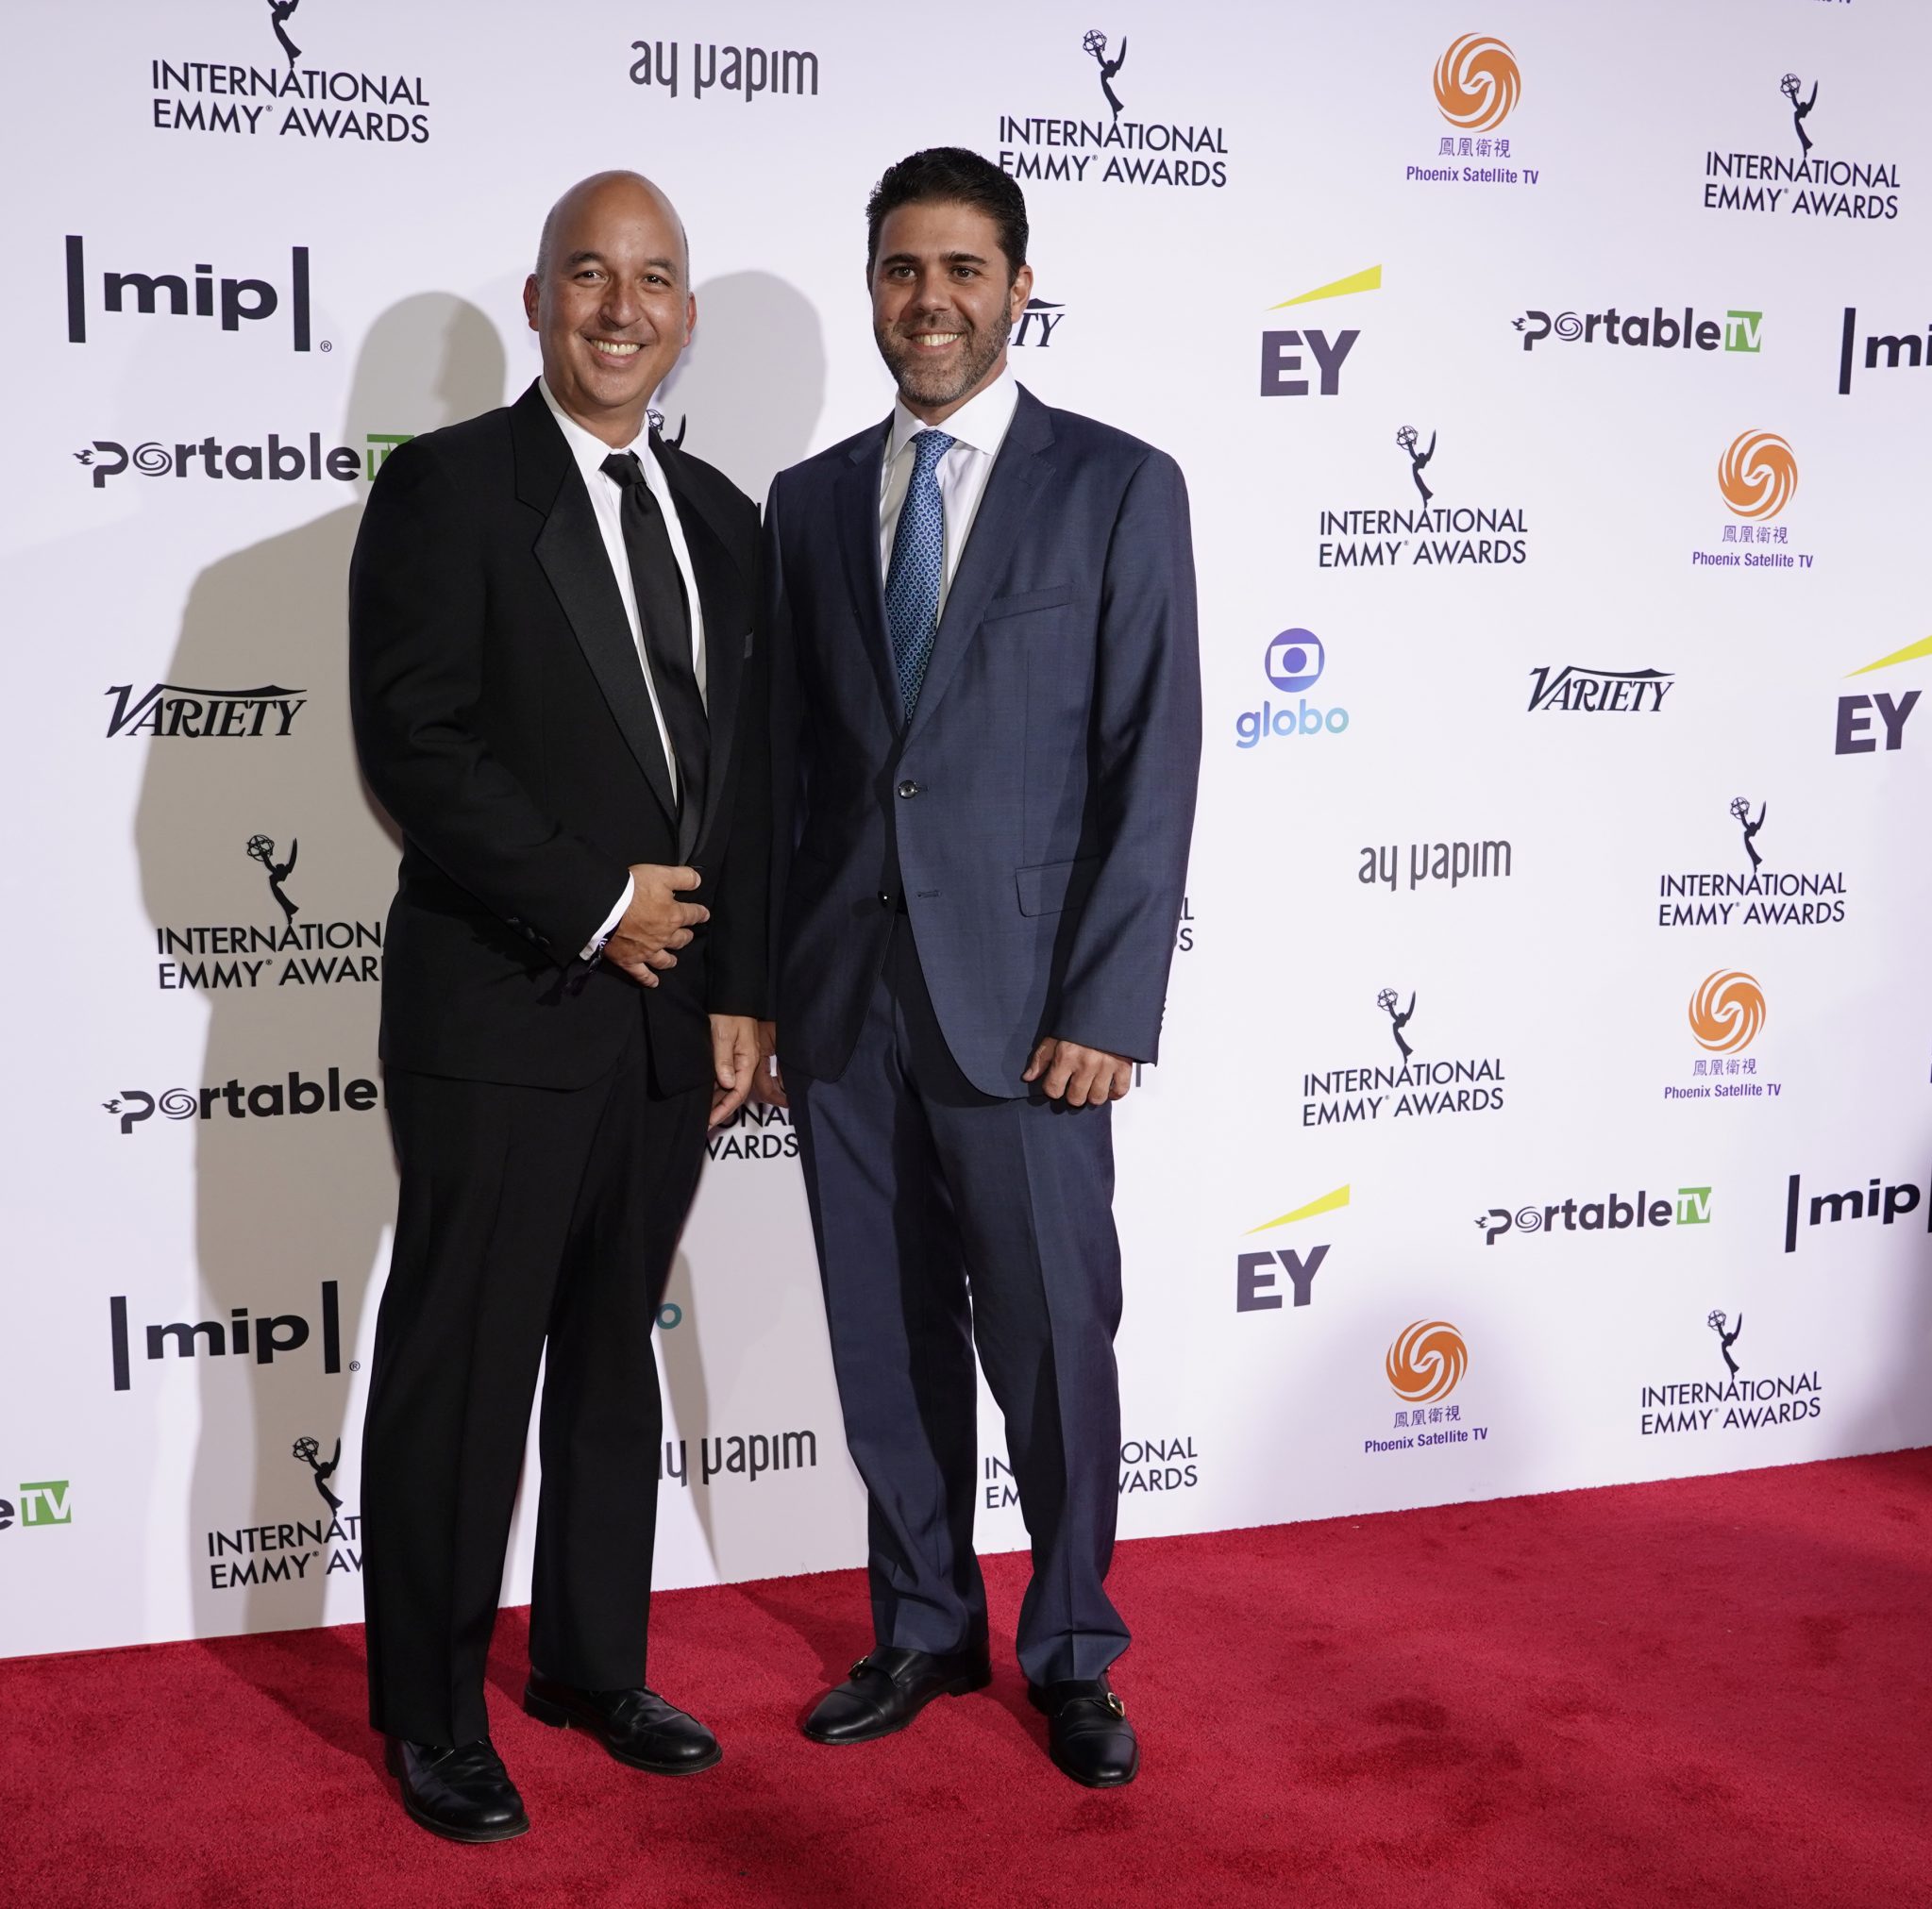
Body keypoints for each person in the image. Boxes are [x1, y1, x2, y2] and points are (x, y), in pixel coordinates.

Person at [753, 146, 1199, 1789]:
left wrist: (1107, 1001)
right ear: (873, 286)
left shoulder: (1117, 486)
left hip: (1029, 1018)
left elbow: (1154, 760)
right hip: (846, 1007)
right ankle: (922, 1625)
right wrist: (765, 989)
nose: (926, 301)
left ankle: (1073, 1649)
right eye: (898, 270)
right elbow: (788, 774)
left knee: (1051, 1343)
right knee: (883, 1340)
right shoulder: (807, 505)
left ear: (1020, 285)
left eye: (960, 270)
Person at [347, 171, 767, 1844]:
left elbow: (750, 783)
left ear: (683, 315)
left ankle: (596, 1666)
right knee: (463, 1367)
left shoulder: (726, 519)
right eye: (587, 275)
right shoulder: (447, 490)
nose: (619, 308)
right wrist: (595, 905)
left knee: (611, 1356)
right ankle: (434, 1715)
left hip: (674, 1029)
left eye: (653, 280)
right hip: (504, 1008)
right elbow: (414, 747)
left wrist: (741, 987)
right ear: (537, 302)